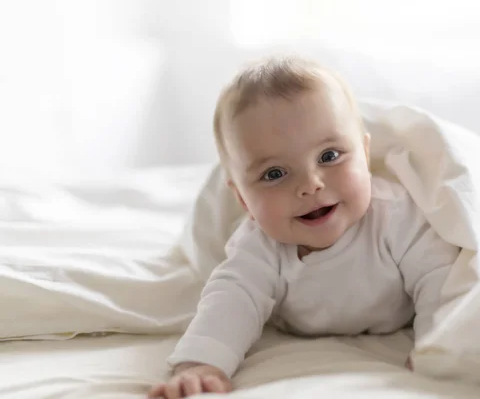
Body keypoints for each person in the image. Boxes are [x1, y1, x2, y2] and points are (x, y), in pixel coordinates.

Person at [148, 55, 460, 399]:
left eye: (329, 156)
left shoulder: (395, 216)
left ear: (365, 156)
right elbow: (231, 300)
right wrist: (200, 364)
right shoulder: (259, 244)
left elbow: (439, 277)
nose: (310, 185)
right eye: (274, 174)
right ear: (242, 200)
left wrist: (437, 345)